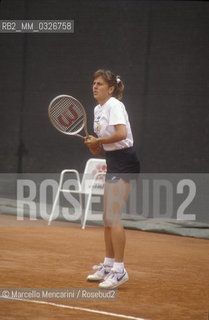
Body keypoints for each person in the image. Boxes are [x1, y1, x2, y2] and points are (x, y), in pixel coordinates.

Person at [84, 69, 140, 289]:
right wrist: (95, 146)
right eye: (93, 83)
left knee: (114, 216)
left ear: (111, 88)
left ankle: (119, 270)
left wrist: (100, 140)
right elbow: (104, 146)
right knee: (108, 216)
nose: (95, 86)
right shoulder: (97, 109)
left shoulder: (115, 105)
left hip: (125, 161)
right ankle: (108, 265)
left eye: (99, 83)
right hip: (113, 160)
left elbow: (122, 134)